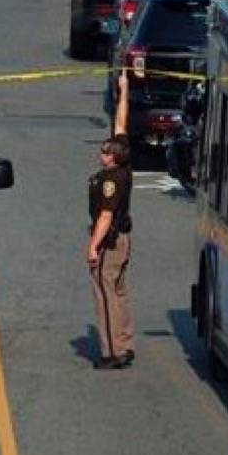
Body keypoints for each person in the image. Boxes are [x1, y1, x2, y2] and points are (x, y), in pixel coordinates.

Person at [87, 70, 134, 369]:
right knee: (118, 290)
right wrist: (124, 90)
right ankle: (125, 342)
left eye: (105, 152)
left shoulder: (111, 181)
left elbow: (105, 216)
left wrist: (93, 246)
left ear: (113, 158)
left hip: (111, 240)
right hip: (124, 239)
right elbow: (121, 122)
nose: (101, 153)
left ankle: (111, 351)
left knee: (104, 292)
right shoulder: (125, 162)